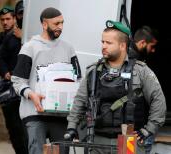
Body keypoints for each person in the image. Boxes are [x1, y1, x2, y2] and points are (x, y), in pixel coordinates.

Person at [65, 20, 166, 154]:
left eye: (109, 43)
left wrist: (149, 130)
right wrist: (72, 127)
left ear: (123, 45)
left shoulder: (140, 71)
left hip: (128, 141)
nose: (104, 46)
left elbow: (159, 100)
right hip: (97, 141)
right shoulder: (93, 71)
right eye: (102, 42)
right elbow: (80, 101)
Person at [11, 7, 81, 154]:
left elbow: (78, 79)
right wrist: (32, 94)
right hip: (34, 113)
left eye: (62, 23)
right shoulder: (30, 47)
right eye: (56, 23)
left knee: (62, 151)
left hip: (61, 114)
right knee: (36, 151)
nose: (60, 27)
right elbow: (17, 81)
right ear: (44, 24)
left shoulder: (68, 49)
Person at [0, 5, 28, 154]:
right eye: (20, 14)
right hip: (12, 90)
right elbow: (0, 57)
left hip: (29, 91)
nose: (22, 17)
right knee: (14, 128)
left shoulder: (37, 36)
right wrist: (5, 73)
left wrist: (25, 38)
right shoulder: (9, 37)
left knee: (26, 128)